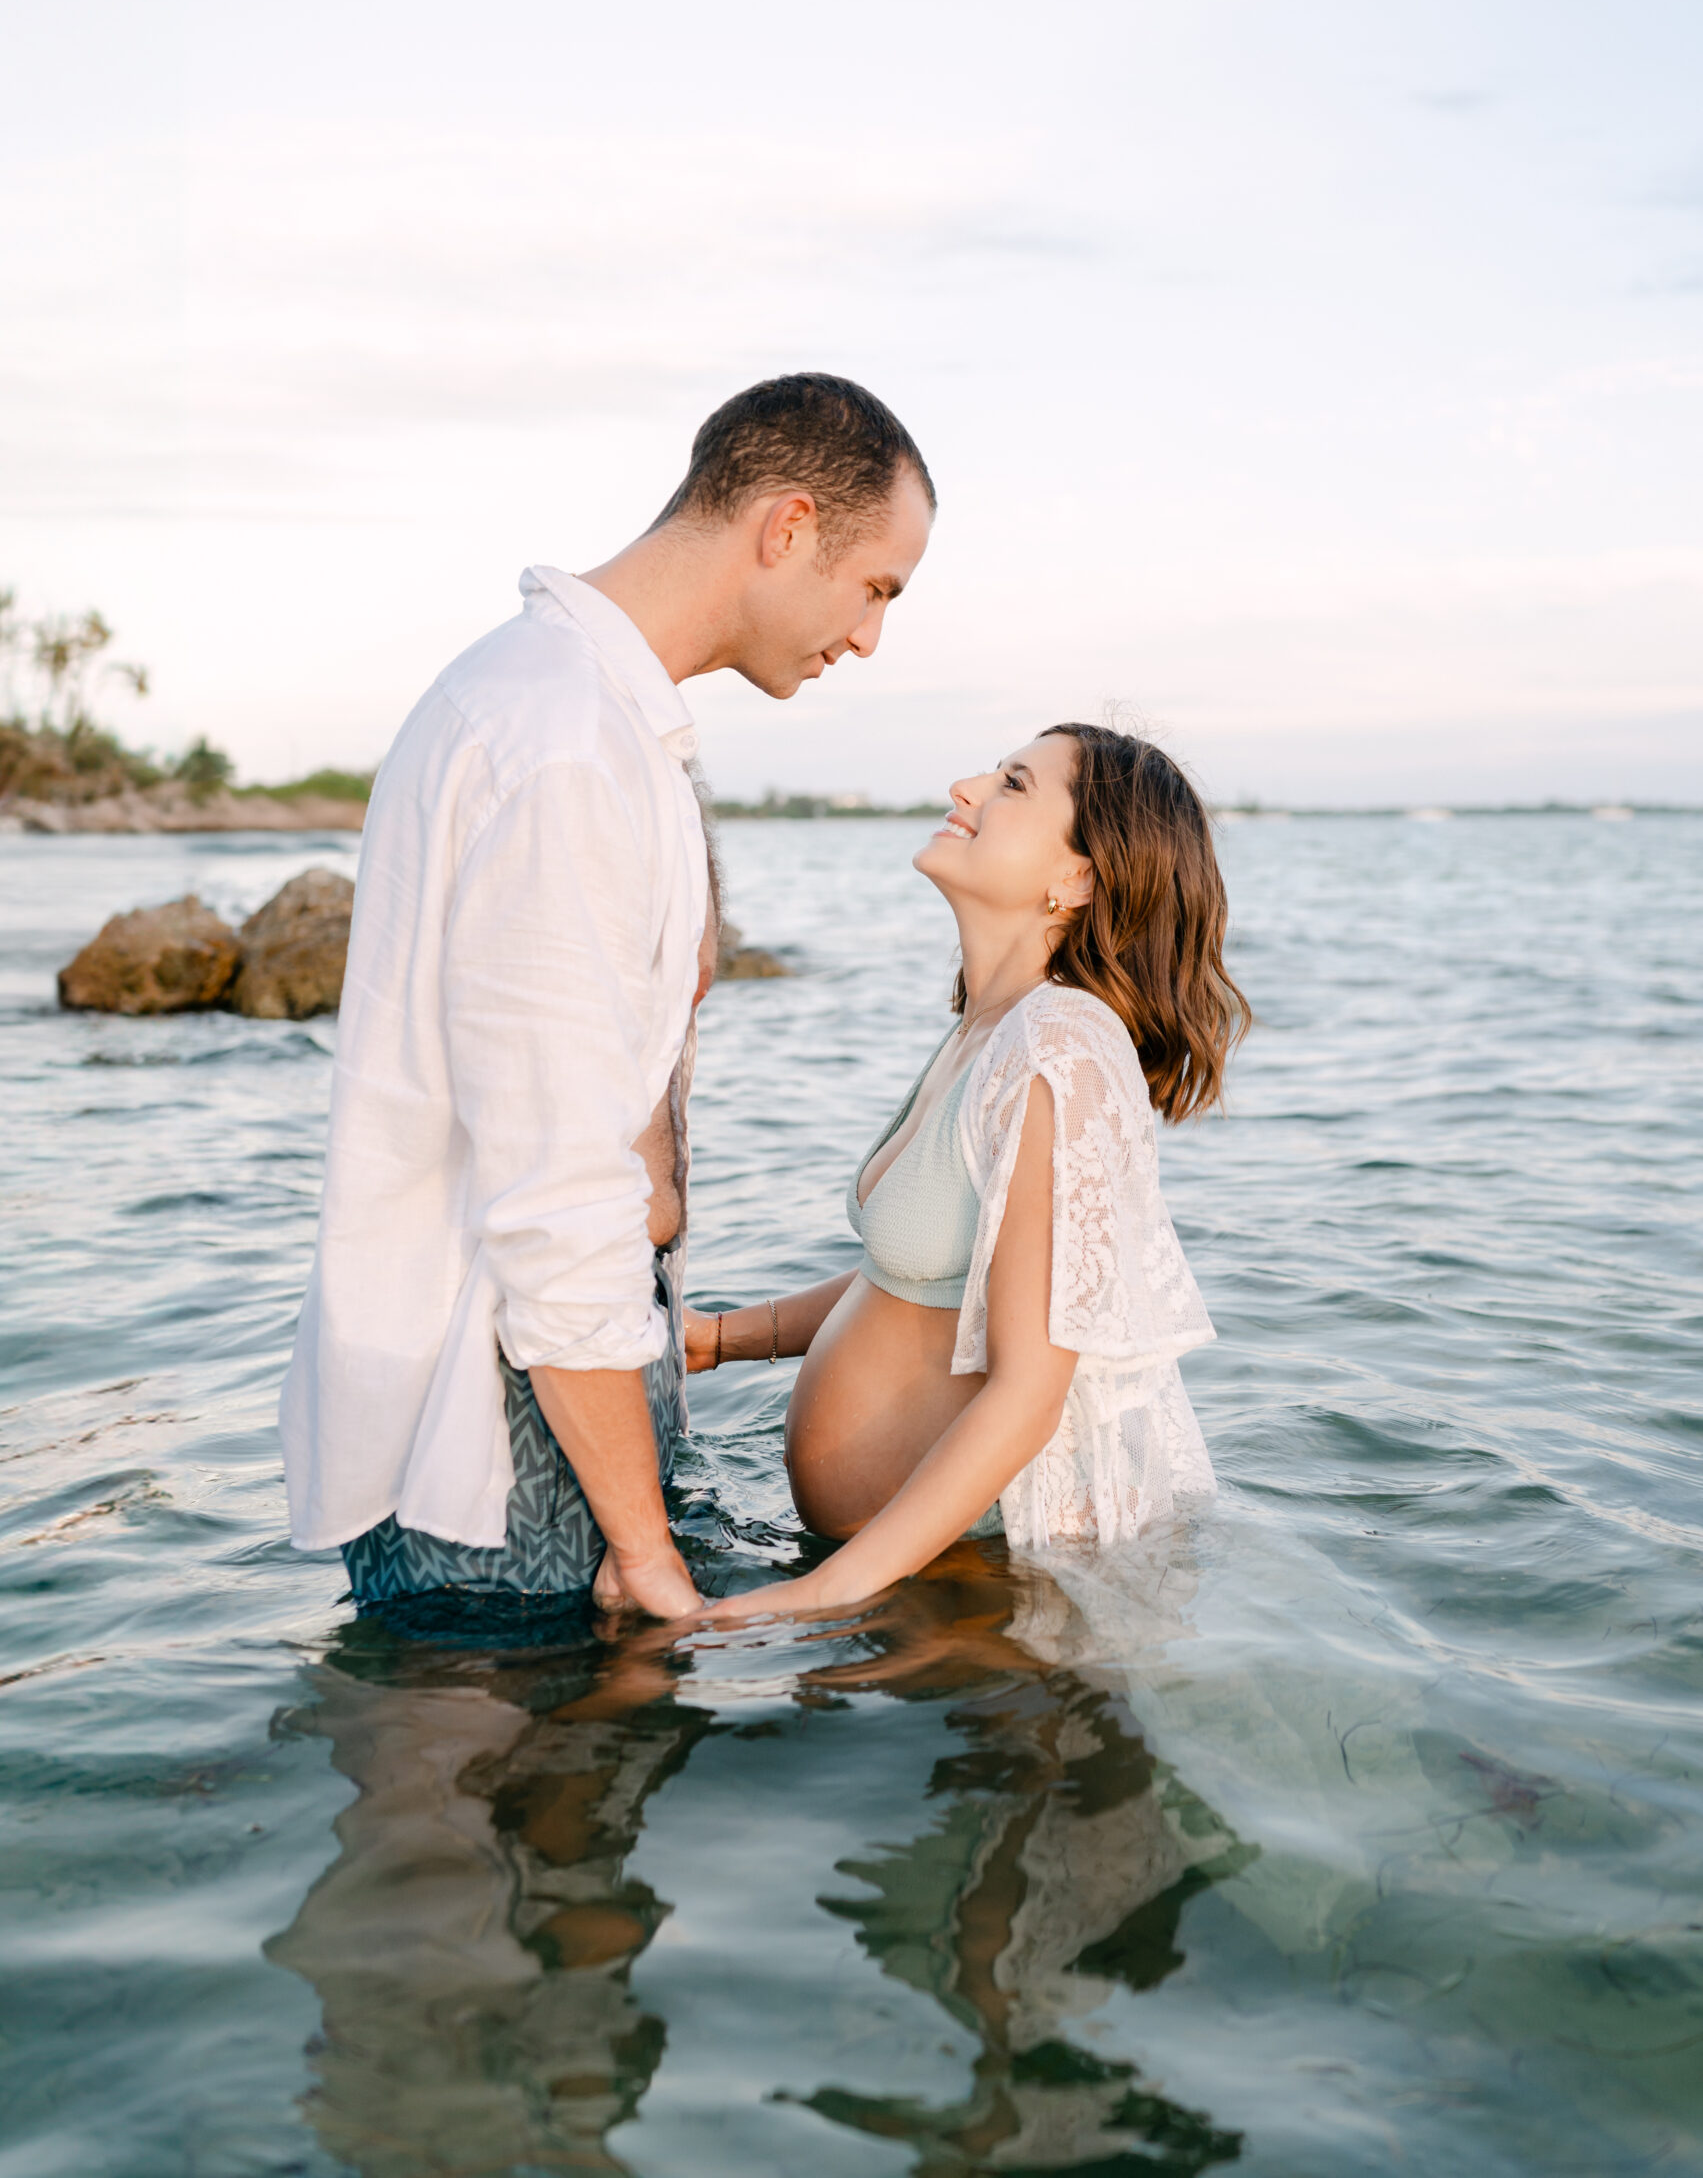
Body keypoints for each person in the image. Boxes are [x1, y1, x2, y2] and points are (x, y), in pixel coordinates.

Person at [280, 372, 934, 1620]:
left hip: (560, 1395)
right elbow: (552, 1188)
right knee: (502, 1796)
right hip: (500, 1445)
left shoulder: (593, 723)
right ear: (787, 527)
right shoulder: (562, 745)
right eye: (876, 588)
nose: (867, 638)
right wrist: (643, 1548)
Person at [688, 723, 1249, 1619]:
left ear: (1078, 878)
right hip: (913, 1574)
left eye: (1013, 784)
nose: (963, 786)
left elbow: (1032, 1387)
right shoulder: (992, 1031)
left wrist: (821, 1593)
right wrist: (717, 1341)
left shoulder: (1058, 1045)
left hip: (983, 1589)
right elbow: (923, 1283)